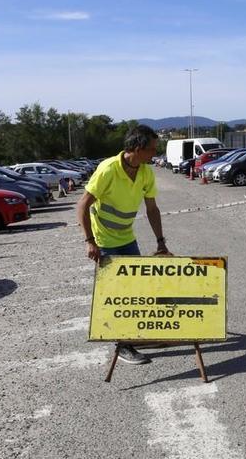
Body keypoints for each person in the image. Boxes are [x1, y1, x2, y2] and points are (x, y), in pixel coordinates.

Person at [77, 124, 171, 364]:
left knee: (136, 289)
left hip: (127, 238)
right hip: (104, 240)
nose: (154, 153)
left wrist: (161, 242)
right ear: (138, 148)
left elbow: (152, 209)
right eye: (152, 149)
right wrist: (89, 241)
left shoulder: (146, 172)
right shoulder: (108, 169)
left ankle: (133, 336)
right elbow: (82, 206)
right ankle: (122, 346)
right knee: (118, 294)